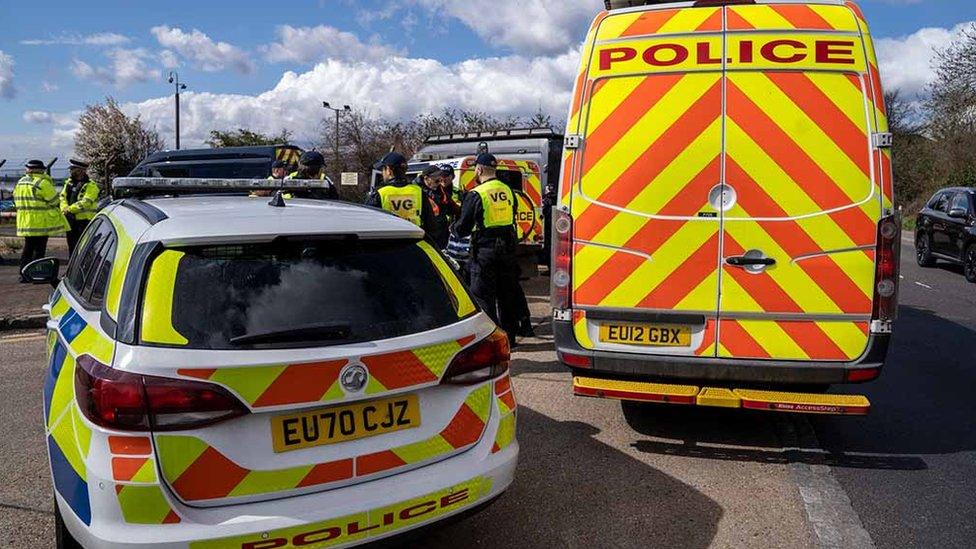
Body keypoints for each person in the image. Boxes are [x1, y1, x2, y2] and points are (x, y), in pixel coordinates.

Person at [452, 153, 528, 345]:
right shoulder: (508, 190)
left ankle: (492, 339)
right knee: (507, 294)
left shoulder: (476, 193)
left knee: (483, 295)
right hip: (508, 249)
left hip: (485, 251)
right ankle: (510, 338)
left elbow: (463, 228)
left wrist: (453, 226)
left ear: (478, 169)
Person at [14, 160, 66, 281]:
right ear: (42, 170)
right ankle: (37, 274)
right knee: (39, 250)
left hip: (25, 222)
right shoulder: (43, 183)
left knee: (27, 249)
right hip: (40, 222)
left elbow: (16, 198)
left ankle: (23, 274)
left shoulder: (20, 182)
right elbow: (54, 201)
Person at [365, 152, 435, 233]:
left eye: (383, 169)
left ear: (388, 170)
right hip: (415, 240)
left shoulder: (379, 193)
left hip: (391, 241)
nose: (382, 173)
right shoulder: (418, 191)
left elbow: (367, 222)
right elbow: (431, 224)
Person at [59, 159, 100, 255]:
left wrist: (69, 209)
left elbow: (86, 202)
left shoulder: (91, 186)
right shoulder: (69, 183)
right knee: (72, 249)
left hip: (84, 222)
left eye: (73, 169)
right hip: (70, 220)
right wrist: (64, 207)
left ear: (80, 171)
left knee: (84, 249)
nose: (70, 172)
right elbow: (62, 197)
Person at [420, 164, 459, 249]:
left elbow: (452, 207)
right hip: (424, 235)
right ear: (426, 178)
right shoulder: (418, 191)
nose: (439, 183)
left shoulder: (440, 191)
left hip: (441, 234)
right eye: (437, 181)